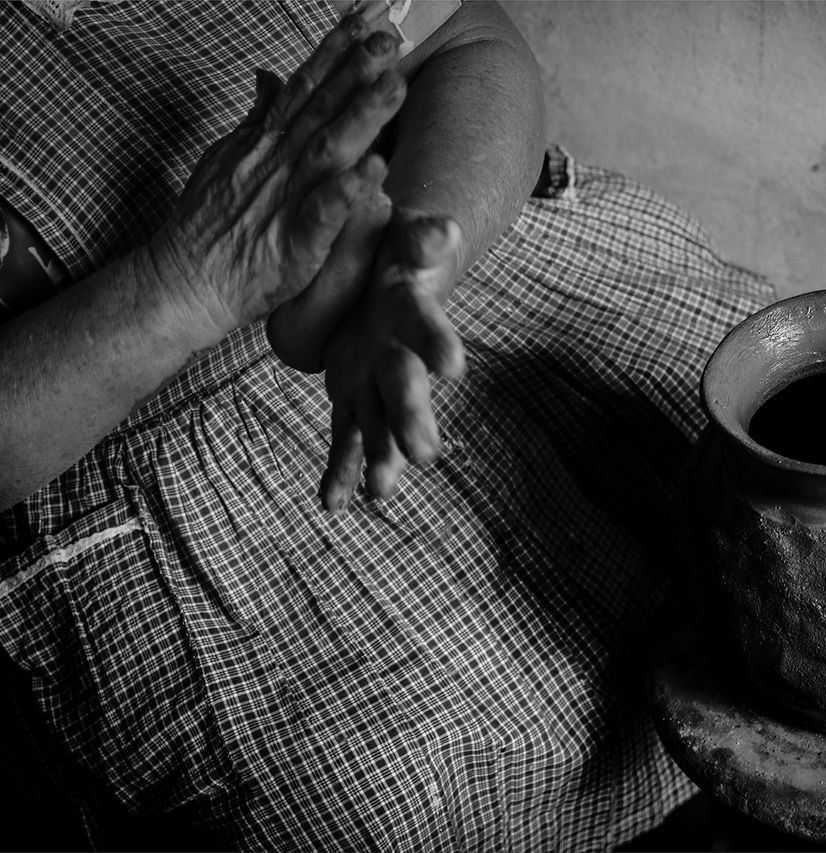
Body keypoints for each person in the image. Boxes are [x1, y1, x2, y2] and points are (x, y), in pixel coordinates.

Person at [0, 1, 773, 849]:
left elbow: (472, 41)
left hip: (453, 251)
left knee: (779, 487)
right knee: (392, 792)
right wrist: (189, 283)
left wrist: (418, 253)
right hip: (158, 455)